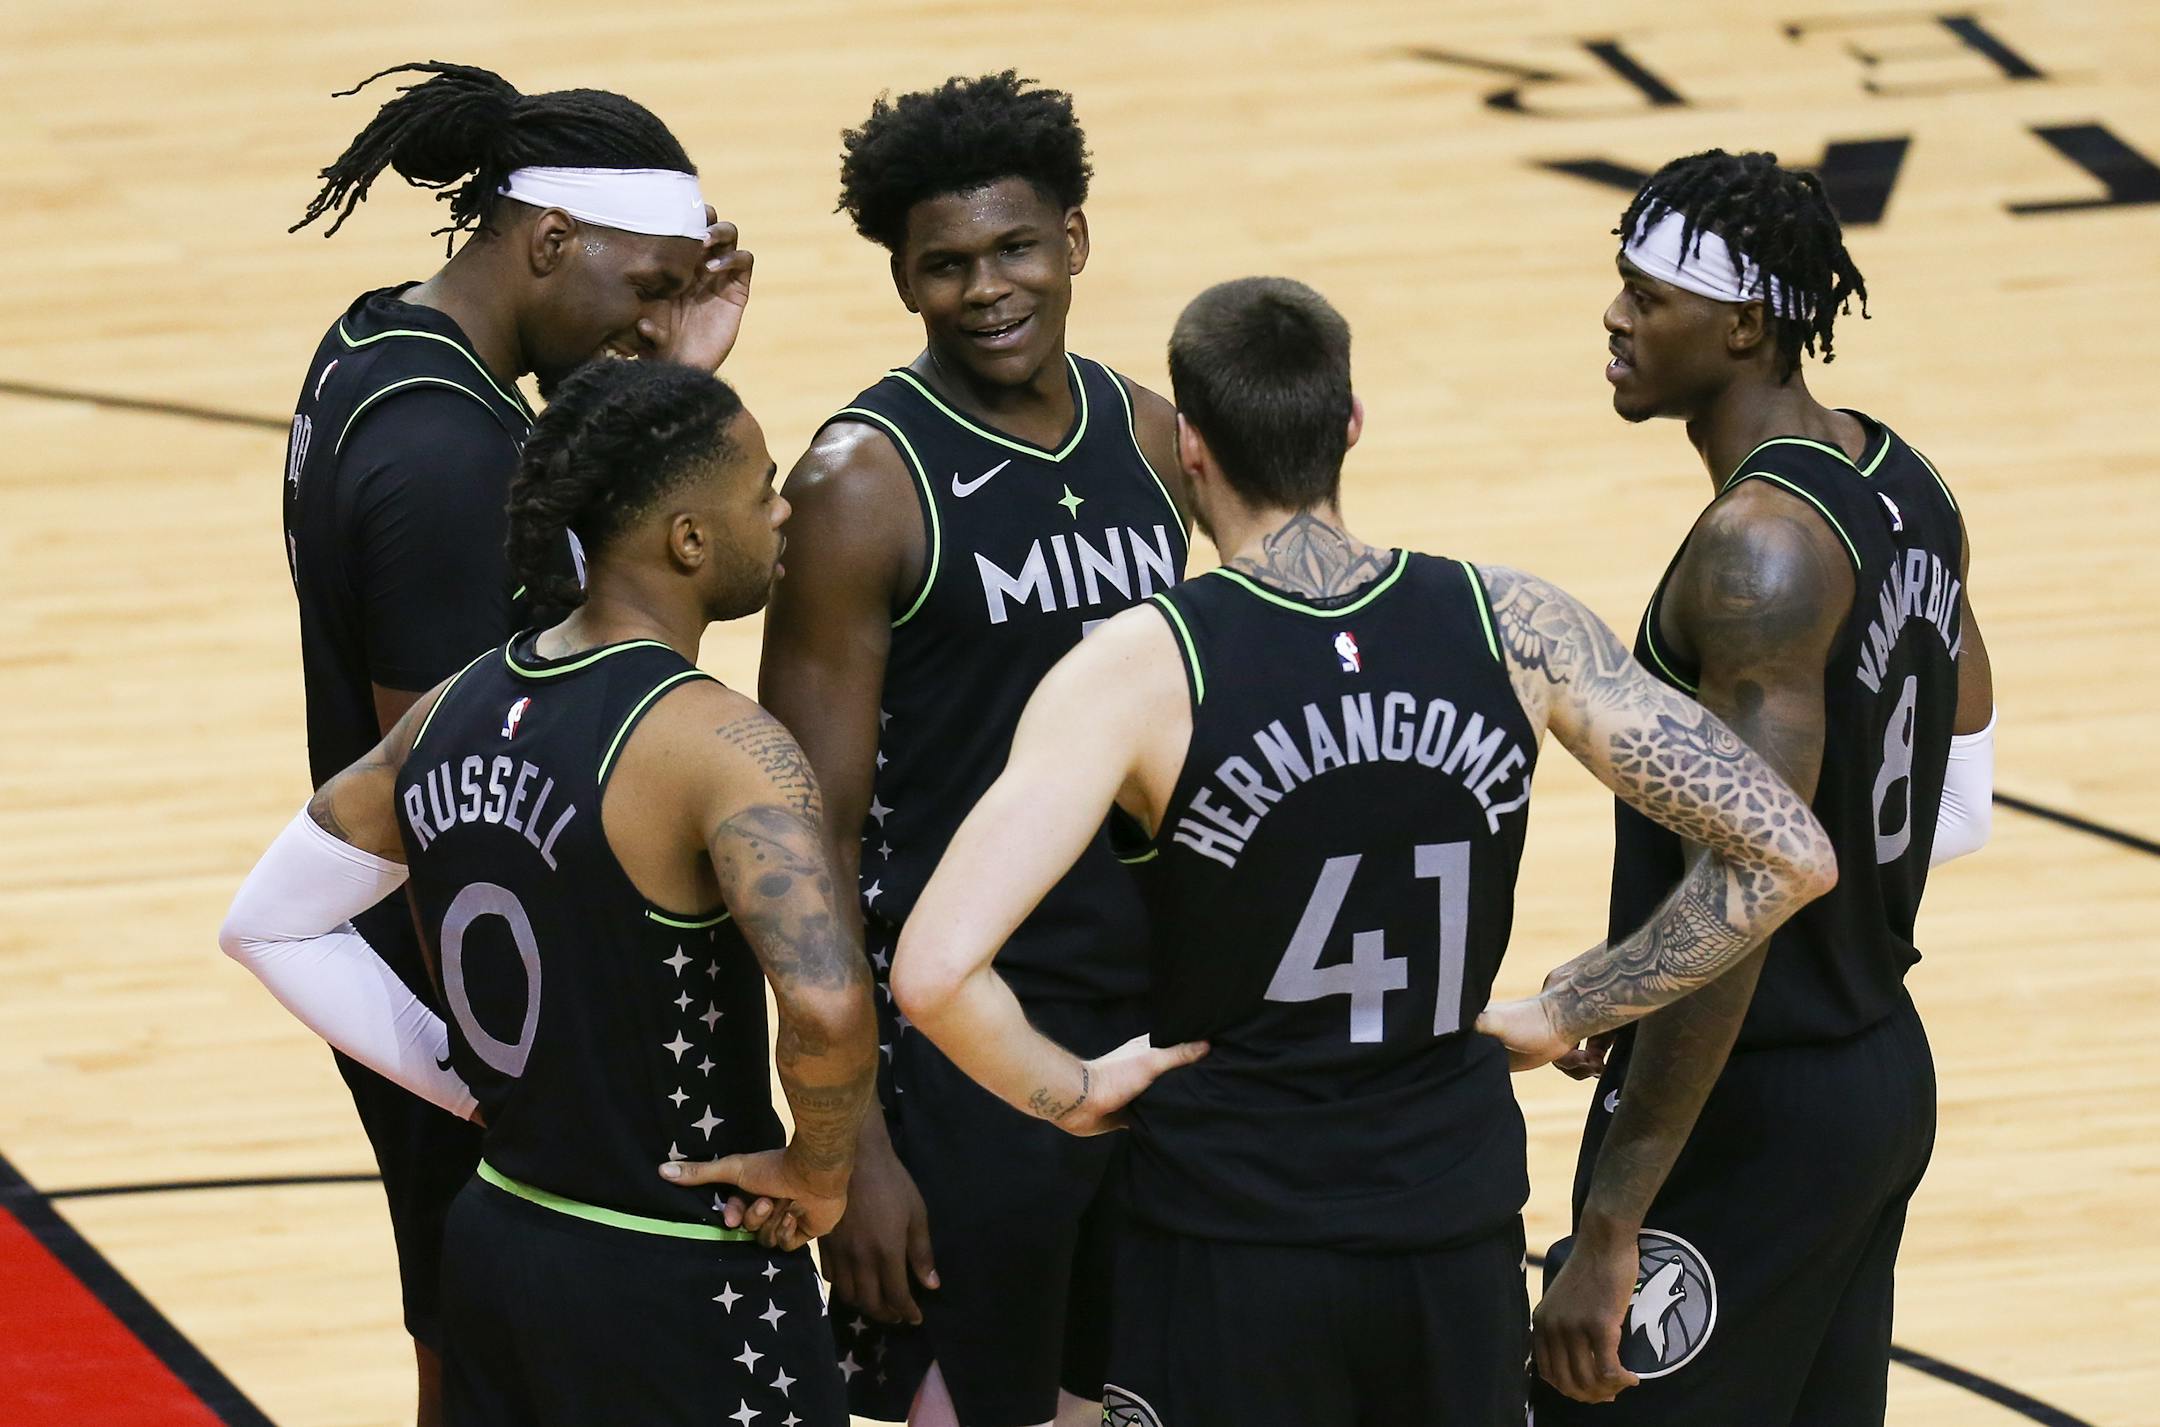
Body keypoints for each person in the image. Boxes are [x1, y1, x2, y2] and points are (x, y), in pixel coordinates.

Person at [888, 276, 1839, 1427]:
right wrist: (1569, 1002)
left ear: (1190, 446)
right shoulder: (1514, 623)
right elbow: (1787, 854)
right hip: (1449, 1230)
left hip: (1227, 1237)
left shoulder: (1141, 668)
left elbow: (935, 970)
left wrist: (1074, 1088)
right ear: (1349, 422)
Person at [225, 358, 875, 1426]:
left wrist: (463, 1076)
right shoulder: (723, 745)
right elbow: (828, 1002)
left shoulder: (445, 711)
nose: (785, 505)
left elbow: (267, 923)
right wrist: (822, 1167)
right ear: (689, 541)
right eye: (761, 486)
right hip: (676, 1267)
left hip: (501, 1237)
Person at [279, 60, 750, 1420]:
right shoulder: (449, 459)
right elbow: (452, 783)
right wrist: (515, 1055)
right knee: (485, 1359)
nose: (656, 315)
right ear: (550, 240)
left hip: (446, 966)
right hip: (472, 984)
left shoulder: (378, 342)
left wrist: (669, 380)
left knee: (471, 1329)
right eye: (650, 284)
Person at [1529, 150, 1997, 1425]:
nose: (1616, 318)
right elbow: (1966, 784)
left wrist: (1614, 1221)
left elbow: (1749, 881)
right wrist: (1665, 961)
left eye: (1647, 295)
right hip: (1877, 1071)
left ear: (1744, 325)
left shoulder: (1762, 549)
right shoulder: (1902, 482)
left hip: (1749, 1109)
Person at [757, 73, 1190, 1426]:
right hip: (957, 1041)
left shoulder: (1158, 436)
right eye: (945, 265)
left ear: (1074, 237)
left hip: (1145, 1020)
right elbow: (799, 831)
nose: (988, 288)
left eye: (1014, 248)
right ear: (903, 282)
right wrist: (852, 1143)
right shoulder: (861, 483)